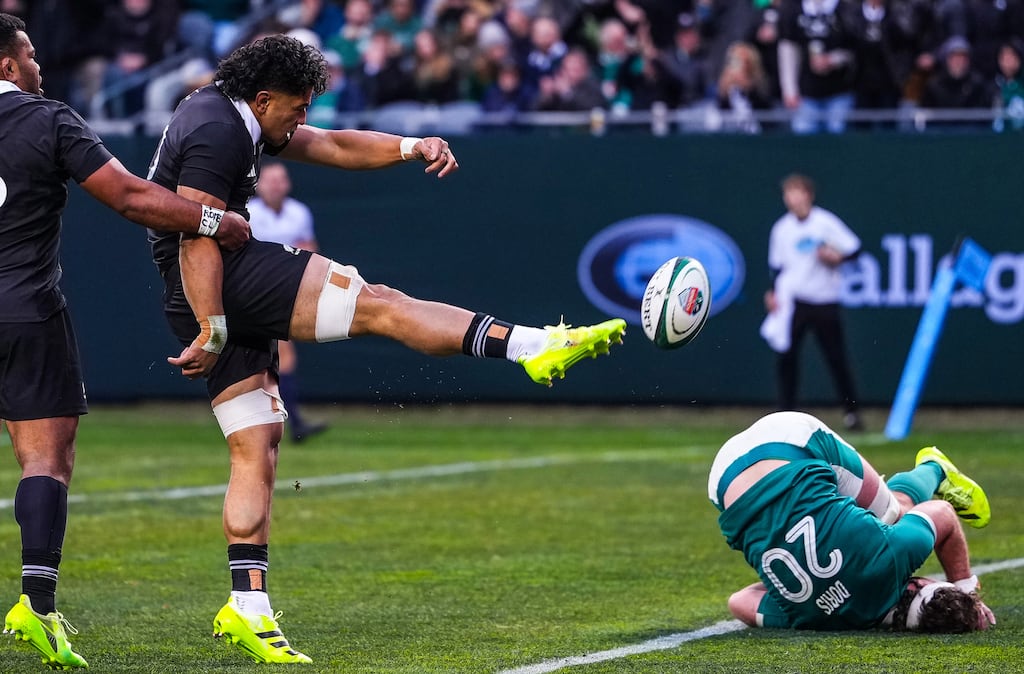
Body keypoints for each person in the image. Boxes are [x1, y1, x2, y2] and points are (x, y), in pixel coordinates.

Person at [145, 33, 626, 665]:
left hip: (203, 290)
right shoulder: (216, 127)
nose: (304, 118)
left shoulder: (235, 112)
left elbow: (334, 144)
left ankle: (248, 606)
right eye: (297, 106)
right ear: (263, 98)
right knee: (380, 305)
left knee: (255, 445)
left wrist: (410, 146)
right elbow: (193, 237)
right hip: (215, 278)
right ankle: (531, 345)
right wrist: (214, 324)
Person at [0, 12, 250, 670]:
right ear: (6, 65)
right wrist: (211, 218)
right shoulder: (47, 118)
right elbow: (135, 199)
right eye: (29, 56)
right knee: (44, 462)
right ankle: (37, 607)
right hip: (26, 310)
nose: (38, 66)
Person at [709, 411, 996, 631]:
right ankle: (934, 470)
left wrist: (966, 587)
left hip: (789, 439)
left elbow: (943, 512)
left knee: (896, 513)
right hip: (722, 482)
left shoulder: (895, 556)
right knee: (884, 518)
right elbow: (739, 602)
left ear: (920, 584)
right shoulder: (811, 619)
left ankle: (934, 467)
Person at [760, 173, 863, 432]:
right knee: (787, 357)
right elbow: (776, 266)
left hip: (824, 301)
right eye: (788, 193)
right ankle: (783, 416)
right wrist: (772, 293)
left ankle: (852, 413)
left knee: (836, 359)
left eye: (797, 192)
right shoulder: (781, 228)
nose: (792, 198)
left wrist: (834, 256)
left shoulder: (824, 223)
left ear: (808, 195)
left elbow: (854, 249)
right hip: (795, 302)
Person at [246, 160, 327, 442]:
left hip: (285, 293)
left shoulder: (298, 213)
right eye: (270, 180)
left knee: (281, 356)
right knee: (269, 358)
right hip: (251, 293)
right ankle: (287, 424)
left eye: (281, 180)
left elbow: (310, 252)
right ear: (258, 185)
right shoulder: (248, 213)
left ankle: (286, 423)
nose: (276, 185)